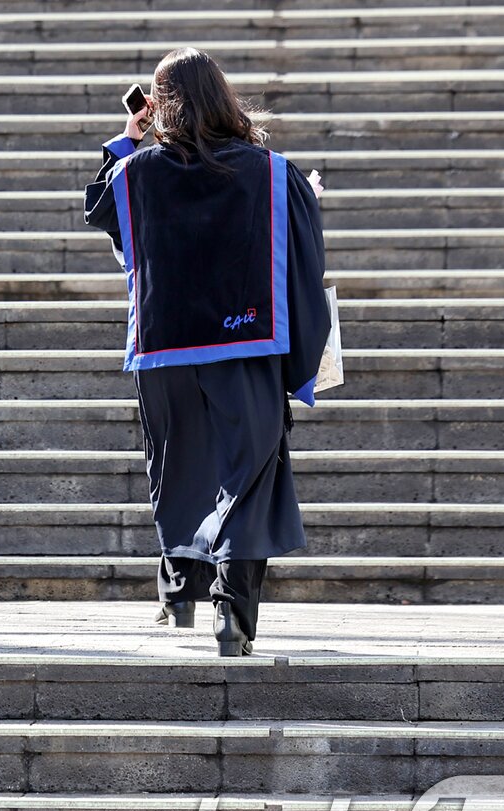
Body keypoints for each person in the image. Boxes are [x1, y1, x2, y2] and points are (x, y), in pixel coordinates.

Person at [82, 47, 331, 656]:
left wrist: (126, 141)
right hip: (246, 345)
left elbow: (103, 214)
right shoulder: (274, 173)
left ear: (158, 105)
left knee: (180, 470)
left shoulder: (134, 174)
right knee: (249, 479)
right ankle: (233, 617)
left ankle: (177, 596)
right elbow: (303, 260)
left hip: (165, 354)